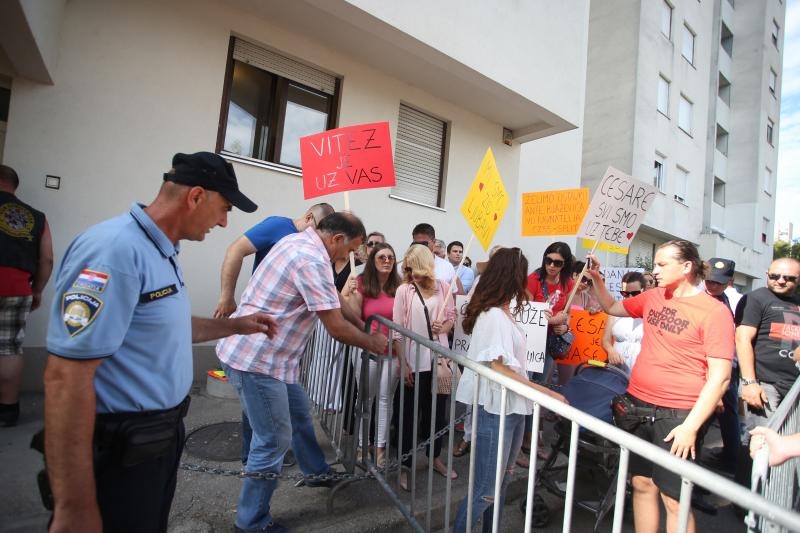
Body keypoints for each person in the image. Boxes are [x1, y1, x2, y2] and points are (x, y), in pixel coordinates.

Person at [44, 152, 278, 533]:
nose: (223, 221)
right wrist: (74, 506)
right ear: (196, 196)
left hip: (155, 440)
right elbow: (64, 379)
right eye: (224, 209)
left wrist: (236, 327)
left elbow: (168, 328)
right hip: (119, 448)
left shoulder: (160, 249)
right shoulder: (115, 251)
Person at [216, 212, 388, 533]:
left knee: (299, 414)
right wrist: (372, 341)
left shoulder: (301, 243)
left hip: (275, 359)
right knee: (272, 441)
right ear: (336, 239)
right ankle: (251, 523)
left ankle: (315, 472)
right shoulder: (310, 259)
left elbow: (334, 299)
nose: (350, 256)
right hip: (257, 361)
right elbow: (334, 325)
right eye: (351, 248)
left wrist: (361, 323)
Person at [586, 240, 734, 533]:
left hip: (678, 415)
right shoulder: (653, 296)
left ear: (687, 266)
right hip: (636, 405)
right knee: (641, 484)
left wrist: (691, 427)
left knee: (675, 498)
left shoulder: (714, 312)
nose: (654, 271)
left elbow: (721, 378)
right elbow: (612, 307)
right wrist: (598, 279)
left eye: (662, 264)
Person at [453, 247, 566, 533]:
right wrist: (546, 393)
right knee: (486, 490)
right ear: (511, 276)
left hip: (512, 407)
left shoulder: (504, 312)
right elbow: (499, 367)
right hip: (496, 410)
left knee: (501, 484)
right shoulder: (493, 315)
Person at [392, 244, 457, 490]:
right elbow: (397, 331)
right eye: (409, 268)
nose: (413, 272)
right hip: (413, 359)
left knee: (436, 413)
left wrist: (446, 327)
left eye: (416, 267)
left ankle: (435, 457)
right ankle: (405, 465)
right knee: (408, 414)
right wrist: (404, 363)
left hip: (438, 359)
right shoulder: (404, 290)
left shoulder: (443, 286)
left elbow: (452, 316)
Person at [734, 257, 800, 481]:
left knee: (783, 444)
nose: (781, 281)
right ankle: (746, 500)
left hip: (794, 387)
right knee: (760, 440)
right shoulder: (756, 298)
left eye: (789, 278)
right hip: (765, 384)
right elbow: (743, 339)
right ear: (767, 274)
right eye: (775, 276)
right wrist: (750, 383)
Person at [213, 202, 334, 318]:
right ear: (309, 218)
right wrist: (227, 297)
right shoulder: (278, 226)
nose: (320, 237)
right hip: (262, 311)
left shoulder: (313, 246)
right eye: (319, 230)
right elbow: (235, 250)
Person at [0, 165, 53, 427]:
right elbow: (47, 259)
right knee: (9, 348)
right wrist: (37, 290)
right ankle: (8, 410)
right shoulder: (35, 217)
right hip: (17, 287)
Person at [341, 242, 402, 467]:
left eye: (390, 257)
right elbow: (353, 317)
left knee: (386, 400)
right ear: (372, 261)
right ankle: (361, 445)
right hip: (367, 351)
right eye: (382, 257)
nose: (387, 261)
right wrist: (350, 294)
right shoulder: (362, 284)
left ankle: (380, 449)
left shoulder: (400, 287)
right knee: (365, 399)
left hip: (392, 352)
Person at [700, 257, 740, 474]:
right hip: (698, 369)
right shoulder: (695, 298)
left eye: (719, 282)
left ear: (730, 281)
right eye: (709, 280)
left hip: (723, 370)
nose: (713, 285)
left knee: (728, 417)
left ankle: (731, 463)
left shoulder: (733, 301)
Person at [526, 241, 574, 385]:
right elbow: (526, 315)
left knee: (541, 383)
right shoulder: (533, 279)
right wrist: (554, 321)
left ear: (564, 264)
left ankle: (535, 409)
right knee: (526, 381)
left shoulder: (568, 282)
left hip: (551, 340)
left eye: (557, 263)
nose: (551, 266)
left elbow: (568, 313)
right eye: (548, 260)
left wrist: (565, 327)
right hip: (531, 341)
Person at [601, 271, 646, 376]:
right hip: (617, 367)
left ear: (643, 291)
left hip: (641, 368)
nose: (630, 297)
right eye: (625, 294)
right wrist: (610, 351)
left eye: (635, 293)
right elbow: (605, 339)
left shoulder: (651, 311)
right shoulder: (615, 311)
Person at [399, 223, 463, 294]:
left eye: (424, 244)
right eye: (416, 244)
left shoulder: (447, 267)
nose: (420, 247)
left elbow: (453, 295)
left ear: (434, 242)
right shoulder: (402, 267)